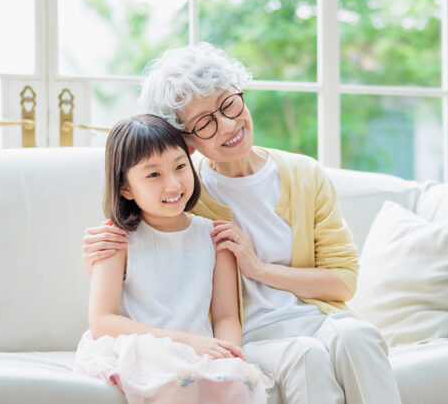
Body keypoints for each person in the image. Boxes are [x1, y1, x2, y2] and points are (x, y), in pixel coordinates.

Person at [82, 43, 402, 404]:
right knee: (305, 355)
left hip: (317, 317)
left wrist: (260, 269)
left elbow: (343, 282)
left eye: (229, 103)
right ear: (185, 141)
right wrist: (98, 257)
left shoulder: (304, 175)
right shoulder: (184, 193)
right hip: (253, 335)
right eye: (205, 122)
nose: (229, 125)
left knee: (359, 336)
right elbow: (149, 244)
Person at [73, 114, 272, 404]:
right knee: (177, 379)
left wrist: (226, 356)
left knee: (236, 379)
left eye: (180, 166)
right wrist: (185, 342)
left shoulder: (215, 239)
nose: (173, 184)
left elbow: (226, 316)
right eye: (153, 174)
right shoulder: (116, 239)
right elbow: (102, 322)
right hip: (141, 349)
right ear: (124, 187)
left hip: (199, 352)